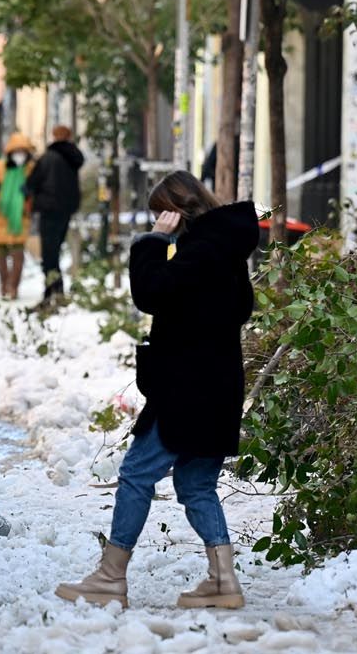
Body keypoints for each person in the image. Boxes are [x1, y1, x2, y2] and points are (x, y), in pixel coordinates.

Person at [55, 171, 258, 610]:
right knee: (195, 483)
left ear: (174, 210)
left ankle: (111, 576)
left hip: (188, 389)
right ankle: (223, 582)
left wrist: (152, 241)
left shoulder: (203, 249)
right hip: (217, 385)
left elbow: (151, 292)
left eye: (159, 213)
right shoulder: (226, 248)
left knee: (136, 473)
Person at [27, 125, 85, 303]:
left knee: (49, 253)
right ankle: (57, 289)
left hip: (48, 210)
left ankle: (51, 290)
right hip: (65, 211)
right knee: (56, 249)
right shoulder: (73, 158)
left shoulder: (47, 158)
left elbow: (31, 183)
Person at [0, 133, 37, 301]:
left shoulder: (30, 169)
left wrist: (30, 195)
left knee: (18, 255)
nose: (20, 155)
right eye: (17, 151)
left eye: (23, 151)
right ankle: (4, 282)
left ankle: (13, 286)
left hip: (20, 218)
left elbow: (37, 188)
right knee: (0, 255)